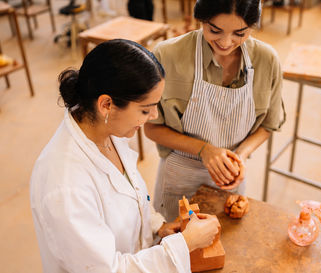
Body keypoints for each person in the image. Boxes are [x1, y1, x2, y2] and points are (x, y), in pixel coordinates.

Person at [30, 39, 219, 273]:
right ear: (107, 104)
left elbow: (130, 194)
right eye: (145, 108)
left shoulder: (108, 130)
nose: (153, 115)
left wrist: (158, 227)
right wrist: (185, 244)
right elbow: (108, 270)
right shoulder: (65, 185)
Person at [144, 0, 285, 222]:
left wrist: (239, 156)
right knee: (173, 245)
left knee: (224, 246)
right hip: (180, 176)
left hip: (231, 176)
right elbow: (152, 128)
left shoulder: (266, 60)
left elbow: (269, 125)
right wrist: (204, 150)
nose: (226, 42)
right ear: (201, 19)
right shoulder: (168, 55)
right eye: (214, 30)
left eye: (240, 33)